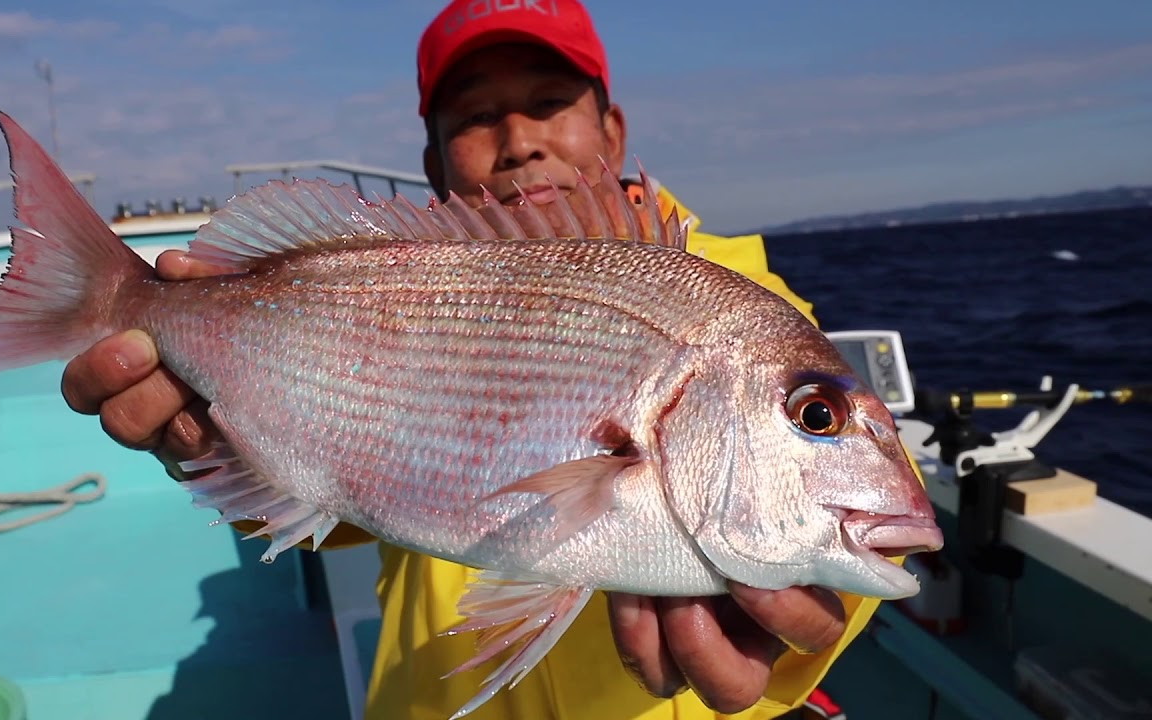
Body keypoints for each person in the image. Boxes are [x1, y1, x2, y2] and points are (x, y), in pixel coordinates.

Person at [60, 1, 885, 718]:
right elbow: (349, 508)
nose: (520, 141)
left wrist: (811, 625)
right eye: (475, 117)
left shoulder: (737, 302)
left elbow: (847, 502)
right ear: (433, 163)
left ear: (613, 129)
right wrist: (217, 450)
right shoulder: (399, 281)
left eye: (549, 102)